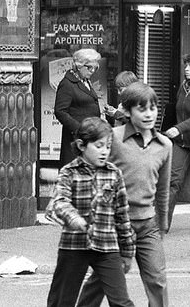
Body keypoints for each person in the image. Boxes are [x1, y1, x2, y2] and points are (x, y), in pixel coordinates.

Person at [77, 81, 172, 307]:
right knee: (104, 278)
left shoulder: (165, 145)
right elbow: (92, 172)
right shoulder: (113, 138)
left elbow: (163, 189)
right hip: (116, 224)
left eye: (153, 108)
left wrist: (163, 223)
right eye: (141, 109)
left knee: (157, 280)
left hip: (148, 224)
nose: (149, 114)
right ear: (128, 111)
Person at [45, 117, 135, 307]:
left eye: (108, 147)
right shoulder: (69, 172)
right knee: (62, 300)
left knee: (121, 301)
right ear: (82, 145)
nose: (104, 152)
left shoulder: (114, 174)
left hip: (107, 246)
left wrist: (127, 251)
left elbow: (122, 216)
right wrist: (74, 218)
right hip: (74, 245)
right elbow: (59, 201)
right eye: (99, 146)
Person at [54, 48, 103, 167]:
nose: (92, 71)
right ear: (78, 66)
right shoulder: (67, 83)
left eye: (95, 68)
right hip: (76, 140)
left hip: (89, 137)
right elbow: (60, 111)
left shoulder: (85, 80)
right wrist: (78, 130)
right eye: (89, 67)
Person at [164, 53, 190, 228]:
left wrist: (178, 128)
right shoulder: (184, 87)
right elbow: (176, 110)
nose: (187, 69)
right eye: (186, 65)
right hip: (182, 143)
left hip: (181, 134)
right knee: (172, 181)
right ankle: (161, 223)